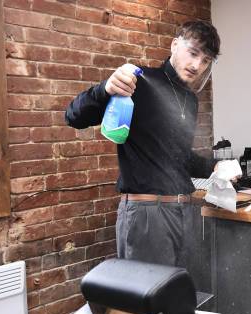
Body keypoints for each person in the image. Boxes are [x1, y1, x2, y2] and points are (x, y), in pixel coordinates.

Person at [65, 21, 220, 267]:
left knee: (175, 297)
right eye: (193, 53)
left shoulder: (190, 100)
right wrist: (105, 88)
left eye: (205, 60)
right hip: (147, 214)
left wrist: (216, 166)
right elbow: (73, 116)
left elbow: (179, 159)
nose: (197, 65)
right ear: (175, 44)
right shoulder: (139, 81)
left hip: (183, 212)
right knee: (147, 302)